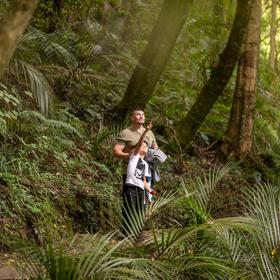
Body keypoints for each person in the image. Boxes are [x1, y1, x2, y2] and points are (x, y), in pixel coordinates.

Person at [122, 121, 155, 233]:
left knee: (138, 211)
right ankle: (126, 234)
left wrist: (150, 190)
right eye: (143, 146)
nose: (145, 147)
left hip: (140, 189)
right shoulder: (134, 156)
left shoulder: (145, 164)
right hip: (131, 186)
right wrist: (146, 131)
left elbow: (144, 180)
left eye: (146, 146)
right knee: (129, 210)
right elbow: (140, 143)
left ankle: (134, 233)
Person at [113, 109, 158, 189]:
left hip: (147, 172)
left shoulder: (150, 133)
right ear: (132, 118)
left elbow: (155, 149)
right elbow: (116, 152)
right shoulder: (126, 133)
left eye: (143, 115)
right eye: (138, 114)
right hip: (130, 172)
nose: (141, 116)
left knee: (145, 199)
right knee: (131, 199)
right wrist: (131, 156)